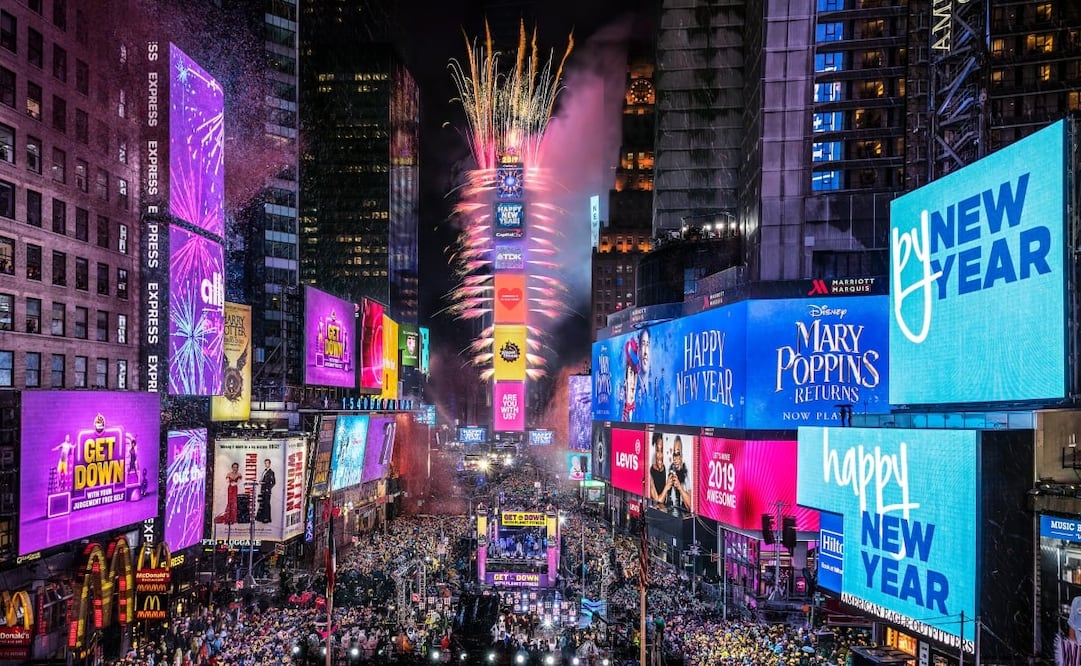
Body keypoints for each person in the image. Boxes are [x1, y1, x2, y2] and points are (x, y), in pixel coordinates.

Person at [667, 436, 692, 512]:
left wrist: (680, 487)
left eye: (678, 453)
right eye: (674, 454)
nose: (675, 458)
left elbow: (690, 506)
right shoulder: (670, 472)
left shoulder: (687, 475)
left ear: (682, 456)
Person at [621, 338, 640, 422]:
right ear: (626, 380)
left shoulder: (640, 409)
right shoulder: (620, 411)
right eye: (631, 374)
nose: (633, 382)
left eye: (635, 375)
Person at [649, 432, 669, 506]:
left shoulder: (666, 469)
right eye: (658, 450)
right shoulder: (650, 472)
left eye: (662, 451)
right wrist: (667, 487)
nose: (660, 455)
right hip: (655, 509)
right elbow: (658, 500)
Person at [256, 458, 276, 523]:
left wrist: (268, 488)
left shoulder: (271, 472)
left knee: (267, 504)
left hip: (267, 491)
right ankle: (262, 518)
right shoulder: (264, 471)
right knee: (263, 504)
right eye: (265, 463)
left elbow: (273, 482)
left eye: (267, 463)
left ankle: (267, 518)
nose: (266, 464)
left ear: (269, 464)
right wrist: (261, 481)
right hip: (263, 490)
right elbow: (264, 480)